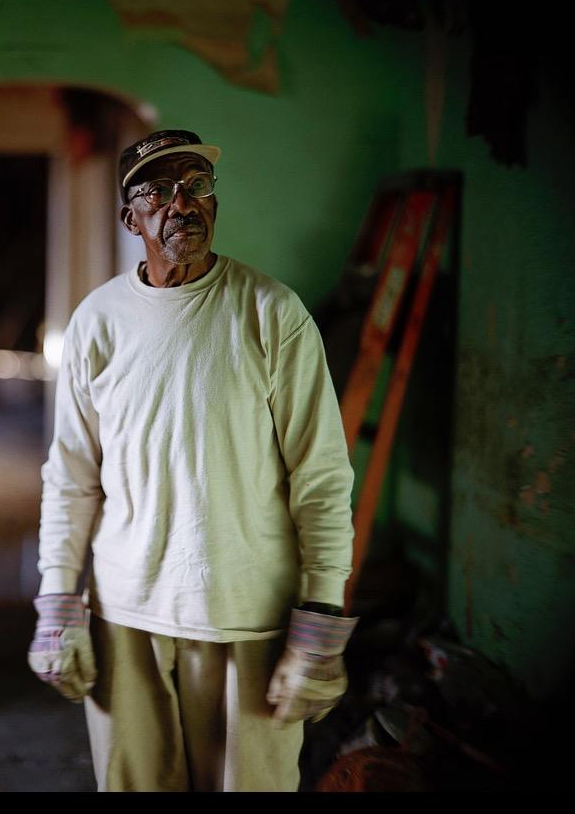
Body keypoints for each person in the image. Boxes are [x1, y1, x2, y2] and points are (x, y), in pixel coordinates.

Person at [27, 129, 359, 792]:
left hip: (248, 612)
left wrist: (321, 611)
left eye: (197, 186)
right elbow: (71, 477)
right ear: (130, 218)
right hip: (125, 613)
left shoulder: (272, 313)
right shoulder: (99, 321)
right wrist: (58, 599)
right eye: (157, 192)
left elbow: (320, 475)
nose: (182, 204)